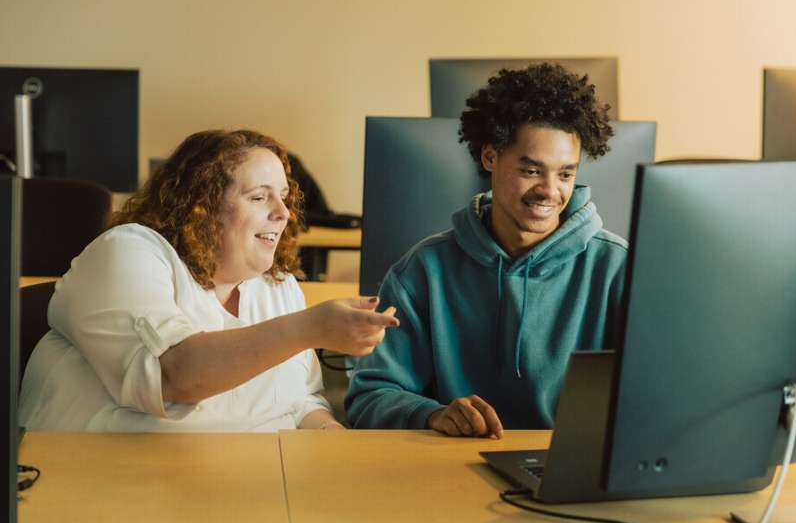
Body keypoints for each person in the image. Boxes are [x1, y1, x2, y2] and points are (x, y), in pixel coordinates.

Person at [19, 129, 398, 432]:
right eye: (259, 197)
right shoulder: (127, 252)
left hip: (240, 492)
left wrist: (331, 437)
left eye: (283, 197)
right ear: (201, 206)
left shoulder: (278, 286)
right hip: (102, 490)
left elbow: (302, 402)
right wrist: (308, 327)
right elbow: (172, 379)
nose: (283, 213)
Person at [345, 63, 625, 437]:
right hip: (450, 471)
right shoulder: (424, 270)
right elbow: (370, 396)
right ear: (490, 158)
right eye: (531, 171)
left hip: (570, 475)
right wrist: (432, 414)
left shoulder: (619, 269)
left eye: (565, 174)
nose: (549, 191)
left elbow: (660, 396)